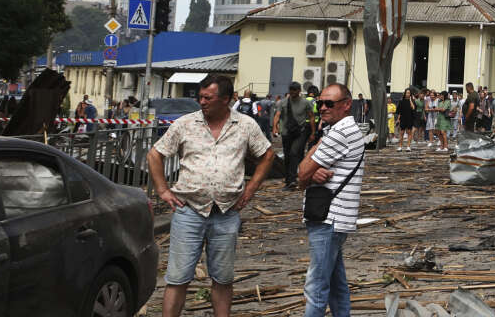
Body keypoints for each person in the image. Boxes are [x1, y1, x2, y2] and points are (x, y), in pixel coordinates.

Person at [149, 74, 274, 317]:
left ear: (226, 99)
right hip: (188, 210)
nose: (202, 102)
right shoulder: (185, 124)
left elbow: (267, 155)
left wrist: (250, 190)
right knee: (177, 277)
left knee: (223, 278)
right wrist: (163, 190)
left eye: (208, 97)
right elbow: (155, 154)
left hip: (227, 212)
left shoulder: (245, 125)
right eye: (200, 97)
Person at [297, 83, 366, 317]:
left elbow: (301, 173)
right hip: (335, 217)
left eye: (329, 103)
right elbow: (306, 172)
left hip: (329, 218)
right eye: (320, 103)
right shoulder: (337, 130)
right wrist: (312, 168)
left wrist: (311, 165)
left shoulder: (339, 133)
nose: (322, 108)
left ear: (347, 105)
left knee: (316, 286)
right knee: (336, 285)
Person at [272, 82, 316, 188]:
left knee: (293, 152)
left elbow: (311, 117)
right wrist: (274, 127)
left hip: (300, 132)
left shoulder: (305, 103)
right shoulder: (282, 103)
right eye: (291, 89)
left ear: (299, 91)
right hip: (286, 132)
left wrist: (313, 132)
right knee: (288, 156)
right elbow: (277, 115)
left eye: (295, 90)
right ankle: (289, 180)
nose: (292, 92)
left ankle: (293, 179)